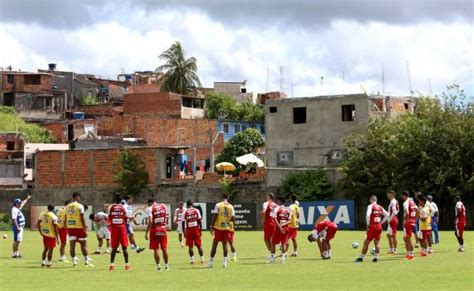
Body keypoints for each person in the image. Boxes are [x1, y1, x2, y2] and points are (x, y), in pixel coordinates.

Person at [354, 195, 388, 263]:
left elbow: (368, 215)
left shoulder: (370, 206)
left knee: (366, 242)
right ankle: (376, 257)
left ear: (371, 199)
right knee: (377, 243)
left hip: (372, 226)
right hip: (379, 227)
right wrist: (381, 223)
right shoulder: (380, 207)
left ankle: (361, 257)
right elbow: (387, 215)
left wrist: (368, 224)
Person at [65, 192, 93, 267]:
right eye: (79, 197)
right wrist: (84, 227)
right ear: (77, 197)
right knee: (83, 245)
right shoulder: (80, 206)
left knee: (72, 246)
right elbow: (82, 217)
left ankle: (74, 262)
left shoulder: (67, 206)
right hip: (79, 227)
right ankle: (86, 261)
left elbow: (65, 217)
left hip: (70, 228)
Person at [208, 194, 235, 268]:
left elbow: (215, 216)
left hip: (218, 228)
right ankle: (224, 263)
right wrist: (227, 220)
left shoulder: (218, 205)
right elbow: (233, 219)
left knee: (214, 245)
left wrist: (212, 226)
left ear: (222, 198)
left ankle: (210, 262)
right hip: (226, 228)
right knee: (225, 245)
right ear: (228, 198)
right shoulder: (231, 207)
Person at [145, 201, 170, 271]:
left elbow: (150, 221)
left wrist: (146, 232)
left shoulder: (150, 209)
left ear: (150, 203)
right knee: (164, 248)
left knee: (156, 249)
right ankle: (167, 266)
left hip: (155, 229)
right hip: (163, 228)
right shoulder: (163, 205)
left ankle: (158, 267)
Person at [108, 196, 130, 271]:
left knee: (114, 247)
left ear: (114, 200)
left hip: (114, 228)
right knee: (124, 247)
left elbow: (109, 217)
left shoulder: (111, 207)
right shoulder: (123, 207)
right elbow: (127, 217)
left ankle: (111, 265)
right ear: (121, 200)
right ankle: (127, 265)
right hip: (122, 228)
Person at [269, 197, 292, 264]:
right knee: (283, 243)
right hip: (286, 228)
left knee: (273, 243)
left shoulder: (276, 209)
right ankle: (282, 260)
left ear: (279, 201)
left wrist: (280, 227)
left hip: (278, 228)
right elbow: (290, 221)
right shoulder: (288, 209)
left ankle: (272, 258)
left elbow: (274, 219)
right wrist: (283, 225)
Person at [182, 200, 204, 265]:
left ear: (187, 205)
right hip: (196, 230)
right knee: (199, 245)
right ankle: (202, 260)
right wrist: (200, 230)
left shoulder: (185, 212)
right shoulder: (196, 210)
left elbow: (183, 224)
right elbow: (199, 221)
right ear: (192, 204)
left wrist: (184, 232)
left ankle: (192, 261)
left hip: (189, 230)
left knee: (190, 246)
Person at [401, 191, 419, 260]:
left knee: (407, 238)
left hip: (407, 223)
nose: (402, 197)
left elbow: (406, 211)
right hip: (413, 222)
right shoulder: (413, 202)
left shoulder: (406, 202)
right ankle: (408, 253)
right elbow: (418, 211)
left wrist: (407, 220)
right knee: (406, 238)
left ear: (404, 195)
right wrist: (415, 219)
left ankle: (410, 254)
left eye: (402, 196)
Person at [386, 190, 399, 254]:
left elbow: (394, 212)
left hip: (392, 220)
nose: (387, 195)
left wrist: (389, 219)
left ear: (392, 194)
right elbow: (397, 210)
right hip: (393, 219)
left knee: (393, 235)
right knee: (388, 235)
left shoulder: (393, 202)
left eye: (388, 194)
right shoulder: (395, 201)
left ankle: (395, 250)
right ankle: (391, 249)